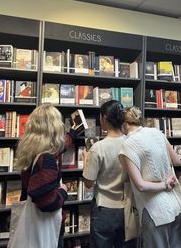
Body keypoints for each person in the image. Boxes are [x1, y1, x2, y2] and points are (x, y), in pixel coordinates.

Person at [118, 106, 181, 248]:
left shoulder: (127, 145)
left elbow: (140, 185)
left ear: (125, 125)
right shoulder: (157, 132)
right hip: (175, 206)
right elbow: (177, 161)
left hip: (154, 212)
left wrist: (164, 184)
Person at [16, 104, 77, 248]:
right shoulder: (46, 159)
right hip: (46, 228)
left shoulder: (31, 151)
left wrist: (73, 133)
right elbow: (48, 203)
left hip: (31, 225)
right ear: (55, 128)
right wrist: (63, 191)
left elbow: (59, 148)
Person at [83, 100, 131, 248]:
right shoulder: (131, 142)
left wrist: (86, 160)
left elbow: (88, 183)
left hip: (104, 209)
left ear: (103, 118)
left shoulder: (97, 148)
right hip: (127, 207)